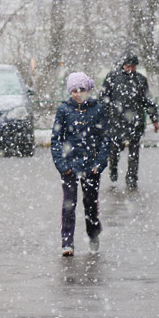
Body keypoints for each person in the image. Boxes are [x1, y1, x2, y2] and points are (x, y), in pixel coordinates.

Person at [51, 72, 110, 257]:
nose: (78, 94)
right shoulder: (63, 110)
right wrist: (62, 165)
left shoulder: (97, 110)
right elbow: (56, 140)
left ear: (88, 90)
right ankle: (67, 242)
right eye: (74, 90)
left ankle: (93, 233)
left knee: (90, 204)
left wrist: (99, 164)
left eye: (81, 90)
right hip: (69, 166)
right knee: (69, 205)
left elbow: (104, 140)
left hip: (90, 166)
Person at [99, 52, 159, 190]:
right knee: (114, 150)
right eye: (128, 66)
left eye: (133, 66)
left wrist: (154, 119)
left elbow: (147, 100)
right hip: (116, 121)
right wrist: (105, 116)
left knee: (134, 151)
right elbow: (103, 98)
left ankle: (132, 178)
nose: (131, 69)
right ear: (123, 65)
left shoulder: (140, 80)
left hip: (135, 121)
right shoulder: (112, 77)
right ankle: (113, 171)